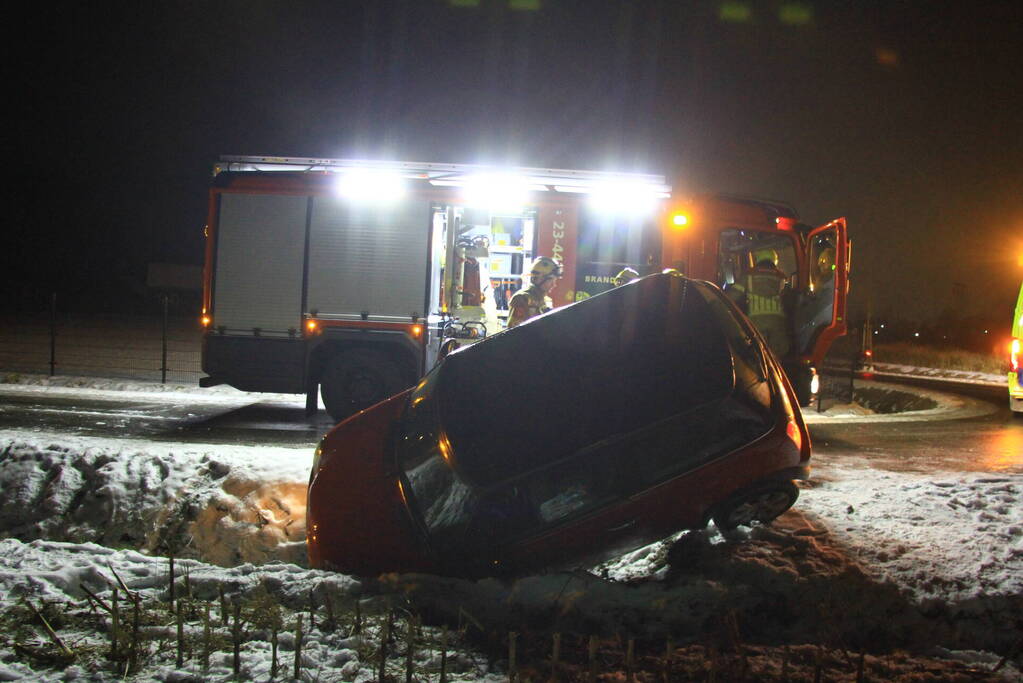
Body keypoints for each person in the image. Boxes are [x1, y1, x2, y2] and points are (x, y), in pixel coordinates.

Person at [730, 248, 791, 357]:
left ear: (758, 259)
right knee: (777, 356)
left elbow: (732, 296)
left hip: (756, 321)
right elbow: (788, 300)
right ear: (774, 260)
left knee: (757, 355)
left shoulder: (749, 275)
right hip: (777, 321)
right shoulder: (782, 277)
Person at [506, 256, 562, 328]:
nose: (554, 285)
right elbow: (514, 332)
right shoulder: (522, 298)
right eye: (551, 280)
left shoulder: (546, 300)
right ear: (539, 279)